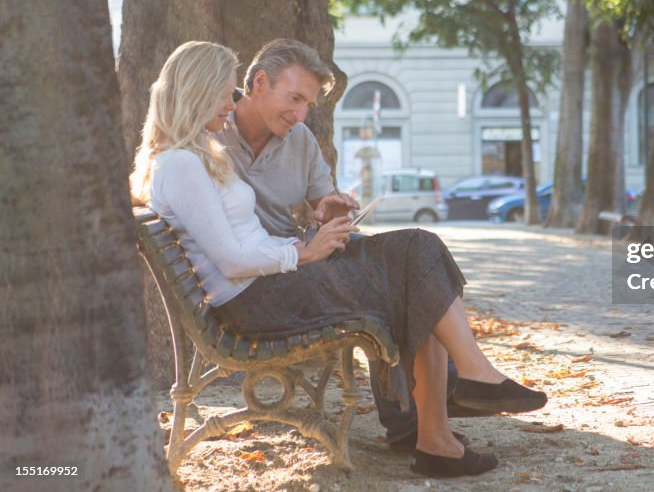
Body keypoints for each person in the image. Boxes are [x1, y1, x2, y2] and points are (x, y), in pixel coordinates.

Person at [131, 41, 547, 478]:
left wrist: (317, 226)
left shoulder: (194, 154)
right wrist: (303, 252)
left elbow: (227, 234)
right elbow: (232, 260)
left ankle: (439, 419)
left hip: (272, 279)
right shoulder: (185, 160)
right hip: (258, 295)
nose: (228, 103)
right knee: (414, 265)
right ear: (202, 91)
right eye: (223, 93)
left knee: (419, 253)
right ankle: (444, 418)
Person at [214, 39, 472, 449]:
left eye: (308, 105)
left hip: (301, 260)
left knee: (408, 257)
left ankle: (427, 410)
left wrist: (330, 207)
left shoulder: (300, 140)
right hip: (265, 278)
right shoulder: (213, 132)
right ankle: (436, 401)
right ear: (259, 82)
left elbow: (322, 203)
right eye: (294, 98)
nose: (300, 115)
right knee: (394, 276)